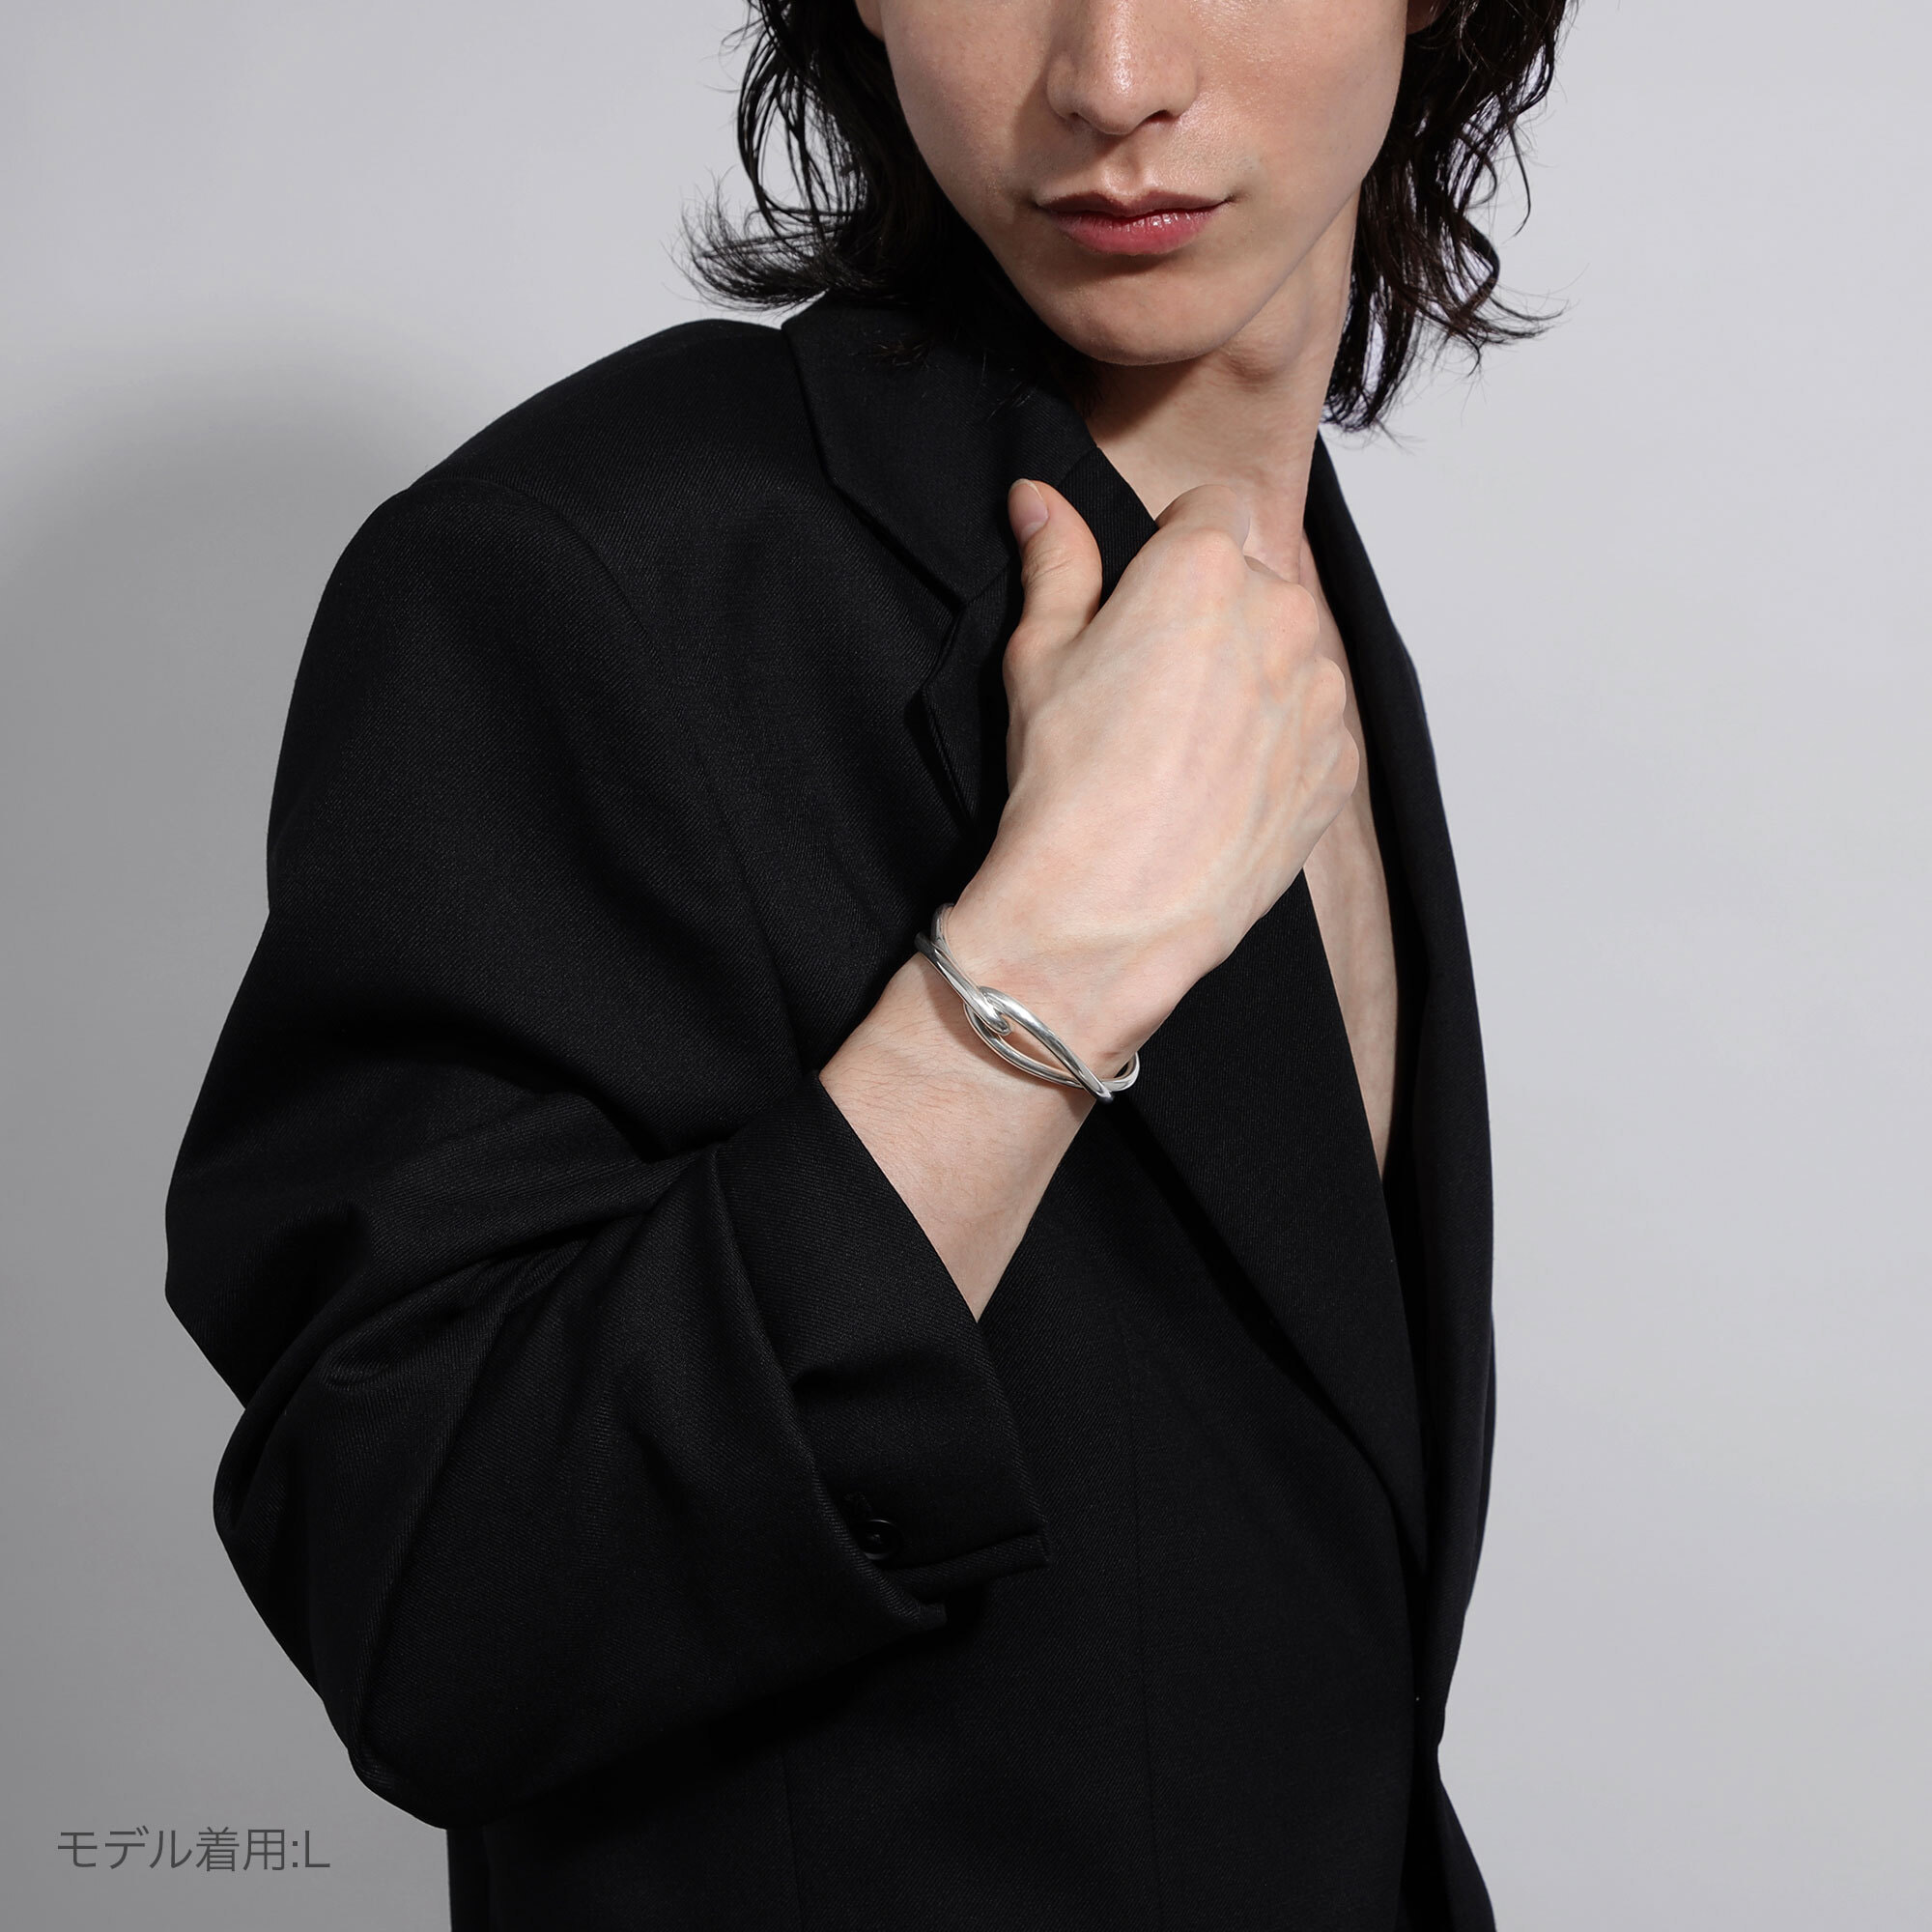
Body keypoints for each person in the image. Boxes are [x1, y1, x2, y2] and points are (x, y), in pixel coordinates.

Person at [166, 1, 1572, 1926]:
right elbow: (425, 1599)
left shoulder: (1294, 589)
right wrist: (1033, 983)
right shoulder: (598, 568)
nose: (1113, 77)